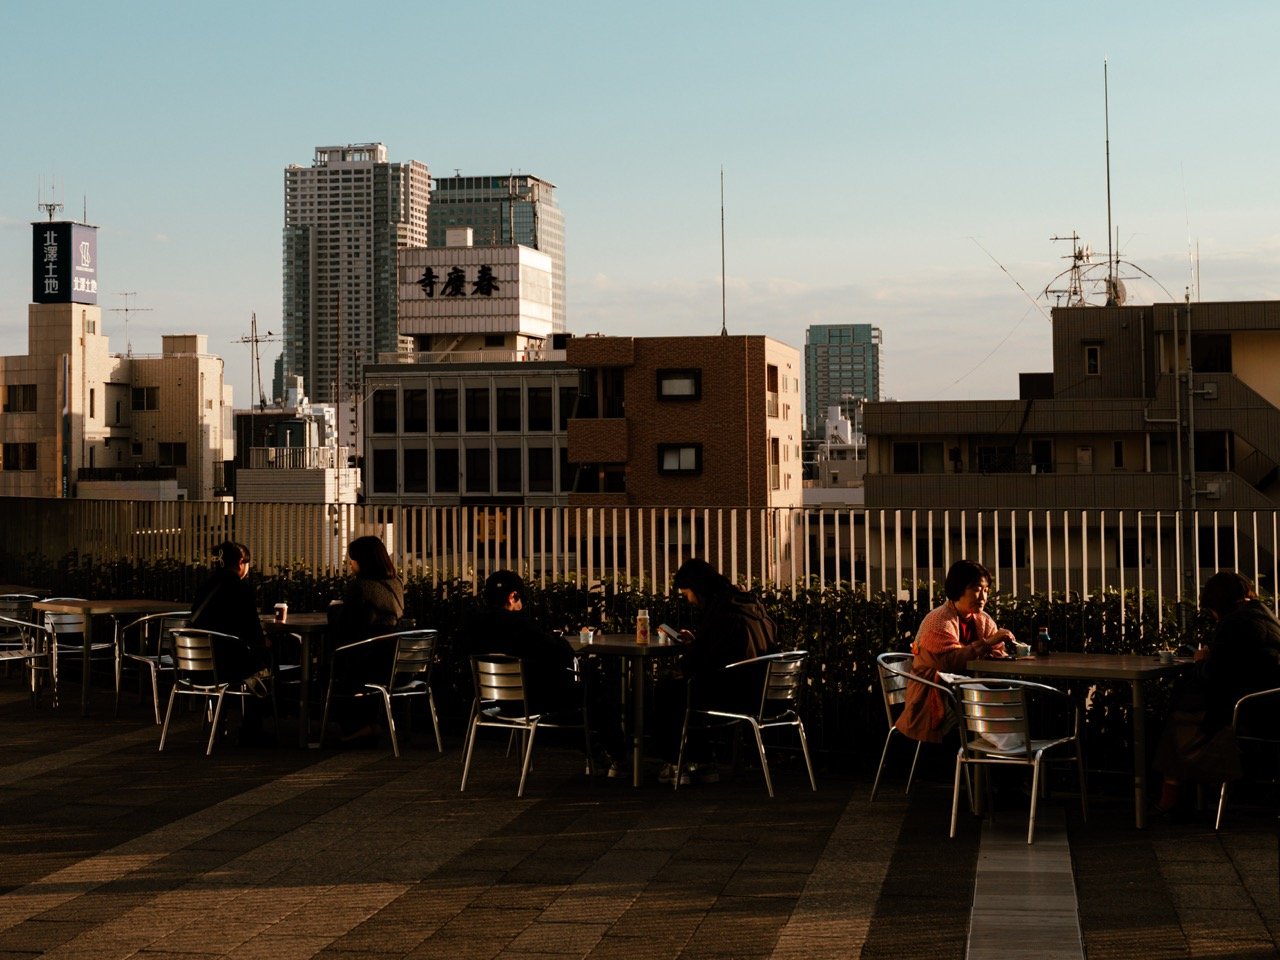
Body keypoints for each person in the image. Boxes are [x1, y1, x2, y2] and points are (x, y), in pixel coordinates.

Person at [1154, 571, 1280, 814]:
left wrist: (1201, 661)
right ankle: (1176, 794)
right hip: (1268, 707)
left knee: (1179, 719)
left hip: (1244, 713)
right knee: (1185, 715)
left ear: (1216, 606)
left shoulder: (1232, 624)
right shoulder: (1267, 618)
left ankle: (1171, 797)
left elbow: (1215, 678)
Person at [659, 558, 780, 783]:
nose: (689, 600)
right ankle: (694, 761)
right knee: (683, 688)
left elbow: (706, 659)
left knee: (671, 690)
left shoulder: (722, 612)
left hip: (737, 694)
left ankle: (689, 761)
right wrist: (697, 643)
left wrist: (683, 667)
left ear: (698, 588)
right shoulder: (749, 606)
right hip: (762, 690)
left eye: (687, 594)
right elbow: (725, 649)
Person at [894, 559, 1013, 743]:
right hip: (932, 694)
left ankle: (1001, 751)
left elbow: (998, 651)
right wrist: (988, 643)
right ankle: (1001, 750)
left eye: (986, 590)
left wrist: (999, 649)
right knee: (997, 697)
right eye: (976, 589)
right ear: (958, 589)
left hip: (965, 690)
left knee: (1009, 692)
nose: (983, 597)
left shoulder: (983, 619)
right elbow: (949, 663)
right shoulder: (938, 620)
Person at [189, 541, 272, 743]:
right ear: (242, 562)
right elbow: (253, 632)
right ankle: (252, 728)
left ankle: (221, 720)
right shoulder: (240, 589)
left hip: (195, 665)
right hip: (225, 666)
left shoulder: (205, 586)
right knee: (264, 666)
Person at [462, 569, 578, 714]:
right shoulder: (520, 625)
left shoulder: (472, 624)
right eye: (521, 598)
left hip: (487, 699)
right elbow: (559, 653)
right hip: (530, 702)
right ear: (513, 597)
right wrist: (560, 641)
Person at [326, 535, 404, 743]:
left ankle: (355, 727)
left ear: (363, 561)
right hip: (392, 659)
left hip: (367, 660)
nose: (350, 564)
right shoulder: (396, 584)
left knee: (331, 663)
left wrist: (335, 609)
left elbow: (348, 626)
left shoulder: (361, 587)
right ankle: (370, 724)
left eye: (352, 559)